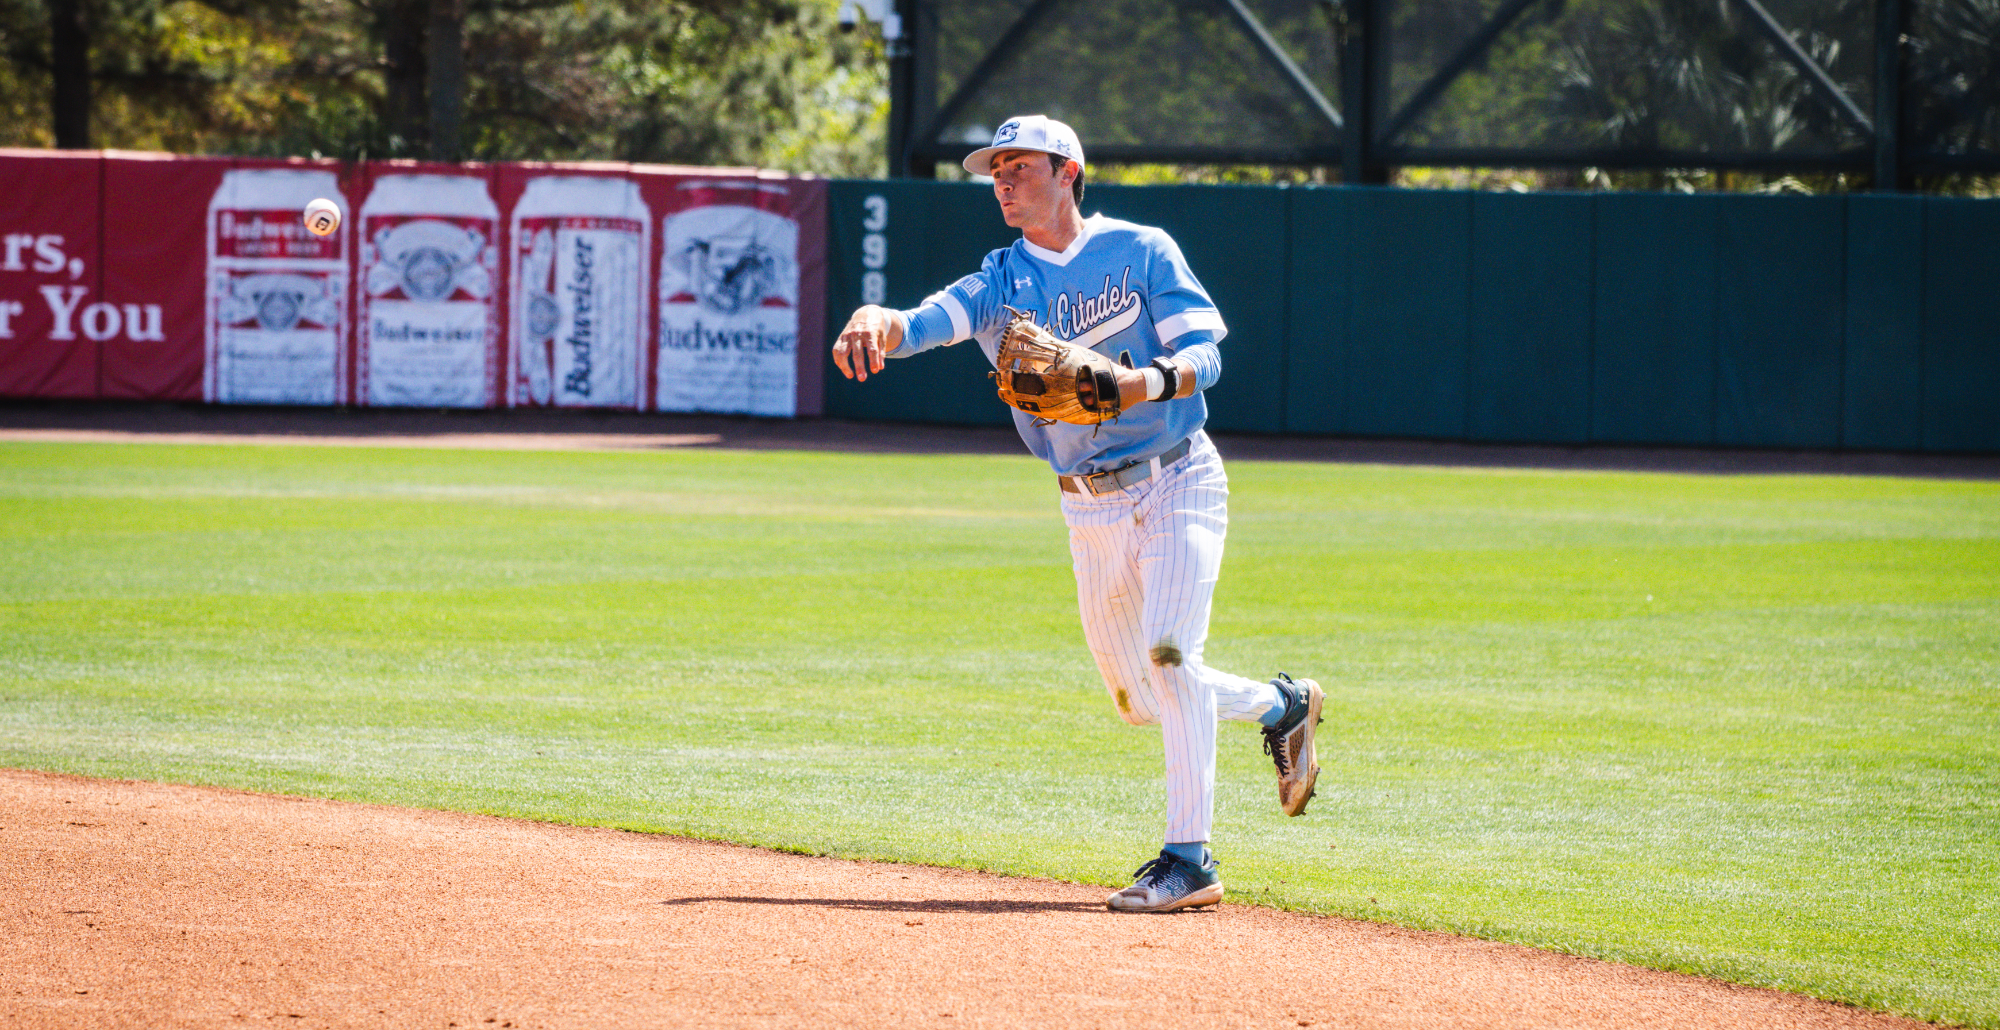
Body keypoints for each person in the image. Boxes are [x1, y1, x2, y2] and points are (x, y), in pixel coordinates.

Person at [831, 115, 1323, 914]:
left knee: (1171, 655)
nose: (1002, 179)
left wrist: (1139, 383)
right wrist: (873, 319)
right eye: (995, 169)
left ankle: (1189, 859)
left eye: (1019, 165)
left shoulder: (1142, 250)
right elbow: (922, 323)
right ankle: (1282, 705)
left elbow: (1206, 355)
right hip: (1089, 506)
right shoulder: (999, 280)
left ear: (1068, 172)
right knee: (1141, 697)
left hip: (1177, 477)